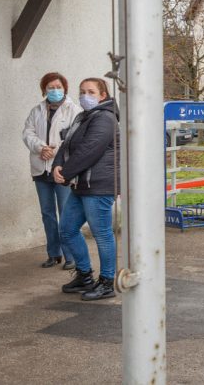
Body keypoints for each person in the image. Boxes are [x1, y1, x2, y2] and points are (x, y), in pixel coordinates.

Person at [53, 78, 120, 301]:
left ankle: (107, 282)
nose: (85, 96)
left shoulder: (105, 118)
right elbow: (66, 144)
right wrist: (57, 165)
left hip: (99, 185)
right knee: (67, 229)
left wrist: (65, 173)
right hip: (82, 184)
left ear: (103, 95)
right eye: (82, 91)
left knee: (102, 234)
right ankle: (84, 276)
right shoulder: (83, 117)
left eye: (91, 92)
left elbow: (89, 150)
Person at [22, 72, 82, 269]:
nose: (55, 90)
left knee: (66, 213)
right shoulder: (37, 110)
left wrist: (55, 152)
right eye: (50, 87)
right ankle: (53, 254)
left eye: (58, 87)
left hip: (61, 170)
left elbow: (76, 138)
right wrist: (41, 147)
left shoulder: (74, 110)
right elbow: (28, 133)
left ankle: (70, 256)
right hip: (41, 169)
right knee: (47, 213)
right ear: (44, 90)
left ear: (65, 88)